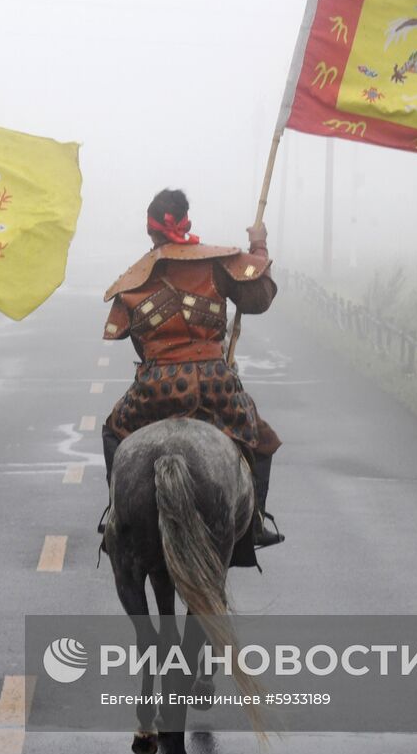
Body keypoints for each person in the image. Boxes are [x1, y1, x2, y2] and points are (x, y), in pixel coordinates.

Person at [99, 188, 283, 567]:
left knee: (112, 431)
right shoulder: (217, 263)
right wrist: (259, 247)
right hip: (216, 385)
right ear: (187, 222)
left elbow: (133, 339)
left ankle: (119, 517)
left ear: (151, 232)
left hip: (156, 390)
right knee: (259, 439)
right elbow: (259, 298)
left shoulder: (133, 279)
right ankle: (257, 522)